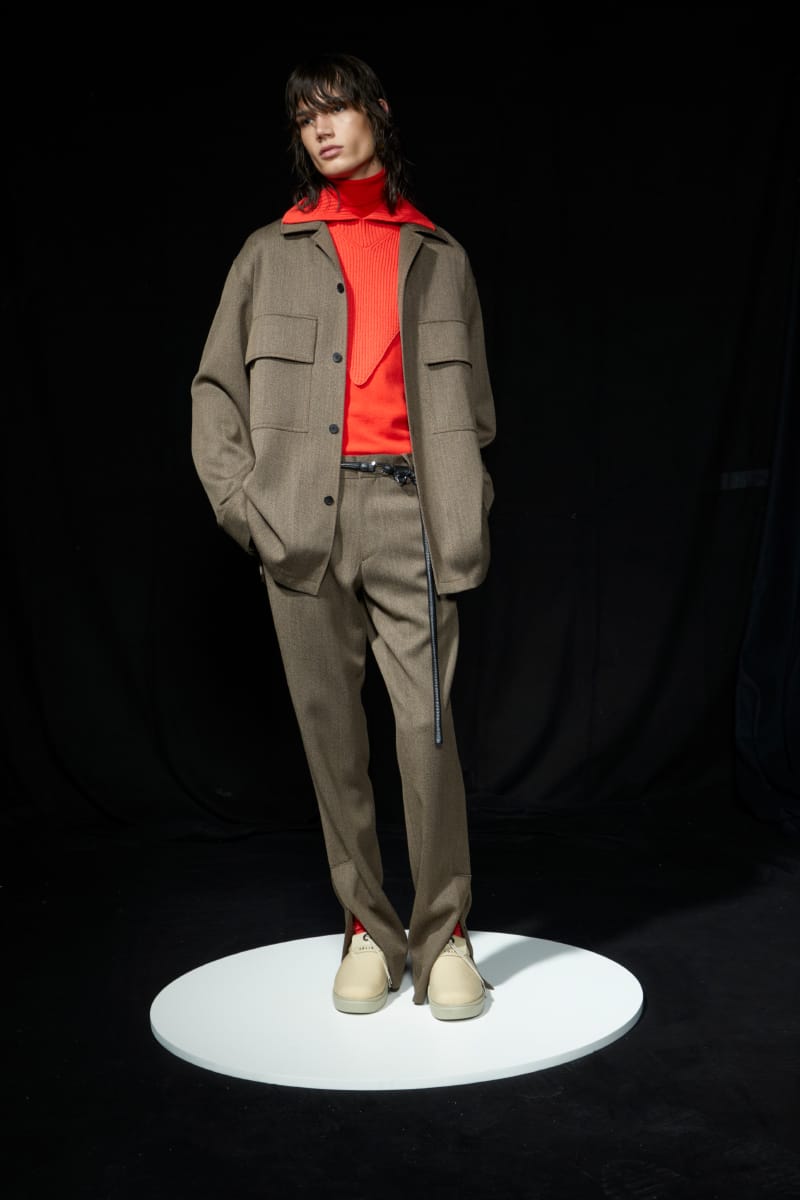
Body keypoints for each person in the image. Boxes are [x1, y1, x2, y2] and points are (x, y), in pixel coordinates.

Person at [191, 52, 496, 1020]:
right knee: (333, 742)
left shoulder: (440, 256)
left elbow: (476, 413)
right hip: (301, 524)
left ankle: (443, 936)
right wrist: (248, 509)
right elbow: (214, 393)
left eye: (336, 109)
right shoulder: (267, 253)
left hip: (414, 516)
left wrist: (467, 501)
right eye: (304, 118)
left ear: (377, 113)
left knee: (424, 734)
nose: (320, 129)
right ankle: (368, 926)